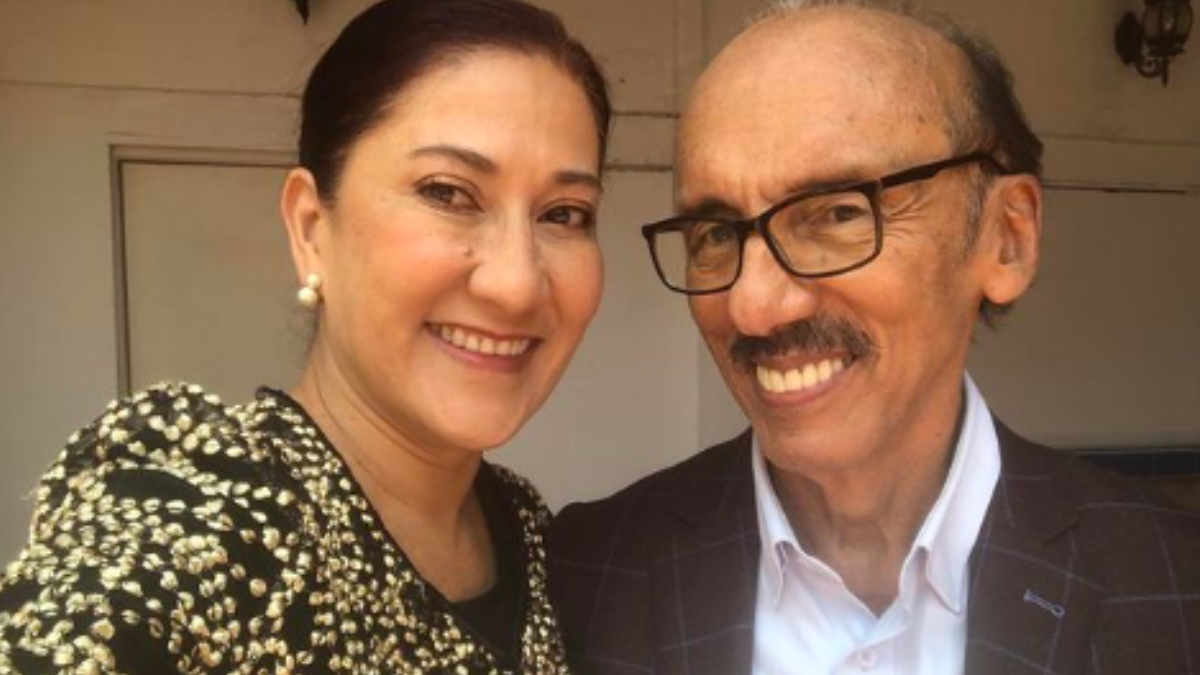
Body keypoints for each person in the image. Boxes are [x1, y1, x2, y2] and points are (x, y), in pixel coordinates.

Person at [548, 2, 1200, 674]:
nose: (754, 307)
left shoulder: (1175, 586)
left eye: (838, 213)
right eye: (715, 232)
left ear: (1008, 237)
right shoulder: (587, 574)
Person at [0, 0, 610, 672]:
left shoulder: (530, 532)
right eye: (448, 192)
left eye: (564, 213)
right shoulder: (200, 520)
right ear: (311, 228)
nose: (517, 284)